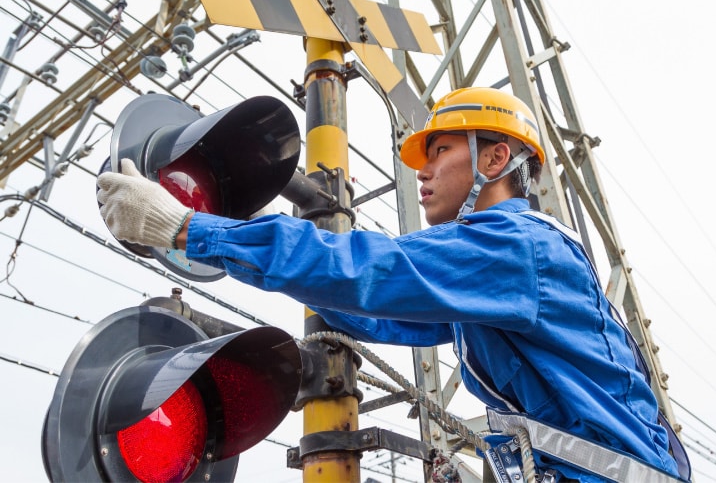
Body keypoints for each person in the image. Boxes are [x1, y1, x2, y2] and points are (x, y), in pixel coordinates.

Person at [97, 87, 685, 482]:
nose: (422, 172)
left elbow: (368, 270)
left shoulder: (517, 247)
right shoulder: (494, 273)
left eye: (441, 151)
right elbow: (370, 306)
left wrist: (188, 228)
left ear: (494, 158)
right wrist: (257, 251)